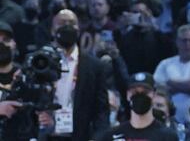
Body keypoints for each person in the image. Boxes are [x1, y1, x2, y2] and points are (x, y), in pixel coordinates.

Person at [39, 9, 110, 141]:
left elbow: (102, 110)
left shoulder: (94, 66)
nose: (67, 26)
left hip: (80, 136)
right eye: (62, 23)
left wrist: (99, 137)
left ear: (79, 29)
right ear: (52, 30)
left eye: (72, 23)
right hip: (46, 136)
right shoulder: (40, 62)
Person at [95, 73, 178, 141]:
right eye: (135, 92)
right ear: (128, 95)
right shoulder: (112, 135)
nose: (140, 96)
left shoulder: (168, 136)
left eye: (145, 92)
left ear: (154, 95)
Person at [153, 25, 190, 126]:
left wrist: (171, 82)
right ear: (177, 42)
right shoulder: (165, 64)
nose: (187, 44)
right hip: (170, 121)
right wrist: (188, 83)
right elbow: (158, 89)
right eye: (184, 40)